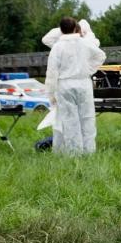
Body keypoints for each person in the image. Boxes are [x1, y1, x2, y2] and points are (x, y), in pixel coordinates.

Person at [44, 17, 106, 154]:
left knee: (69, 120)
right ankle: (89, 151)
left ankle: (73, 153)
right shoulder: (84, 43)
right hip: (83, 82)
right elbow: (101, 55)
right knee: (87, 117)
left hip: (64, 84)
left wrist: (50, 93)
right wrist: (89, 70)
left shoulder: (57, 47)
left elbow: (52, 71)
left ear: (61, 30)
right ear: (75, 28)